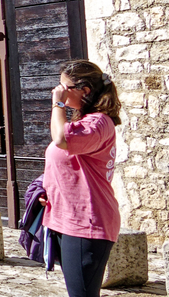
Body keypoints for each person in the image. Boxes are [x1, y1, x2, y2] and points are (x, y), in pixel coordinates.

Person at [42, 60, 121, 297]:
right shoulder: (84, 121)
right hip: (69, 219)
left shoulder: (98, 123)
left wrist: (58, 104)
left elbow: (61, 139)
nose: (58, 90)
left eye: (64, 87)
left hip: (88, 224)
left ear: (84, 90)